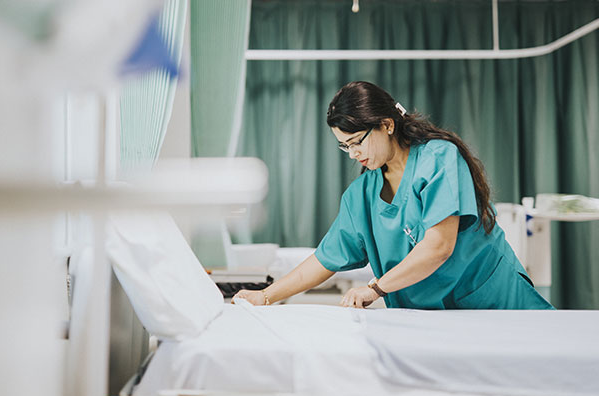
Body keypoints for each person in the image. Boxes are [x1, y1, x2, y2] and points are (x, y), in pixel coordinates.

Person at [233, 81, 554, 310]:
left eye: (357, 141)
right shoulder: (362, 195)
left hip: (492, 300)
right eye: (344, 146)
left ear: (387, 125)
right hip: (431, 319)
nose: (352, 153)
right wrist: (266, 296)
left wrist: (375, 288)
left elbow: (439, 246)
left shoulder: (439, 158)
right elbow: (324, 259)